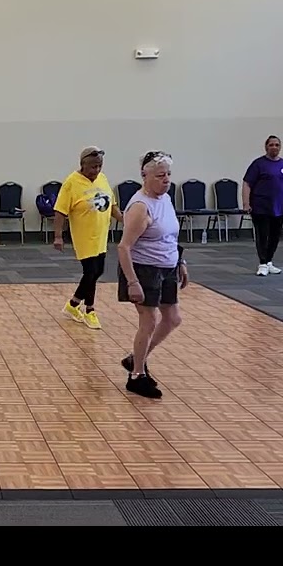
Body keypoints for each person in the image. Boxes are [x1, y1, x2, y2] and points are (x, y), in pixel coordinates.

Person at [116, 151, 187, 400]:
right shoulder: (140, 207)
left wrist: (181, 262)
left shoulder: (165, 199)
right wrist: (132, 282)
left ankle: (135, 358)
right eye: (160, 175)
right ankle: (136, 376)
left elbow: (171, 236)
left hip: (167, 267)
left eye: (168, 175)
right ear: (144, 176)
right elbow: (123, 247)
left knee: (173, 318)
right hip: (144, 269)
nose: (166, 180)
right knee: (149, 321)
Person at [52, 146, 122, 329]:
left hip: (101, 235)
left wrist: (125, 220)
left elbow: (112, 205)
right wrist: (58, 236)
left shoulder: (103, 179)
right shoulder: (72, 182)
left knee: (98, 271)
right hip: (84, 237)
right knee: (90, 272)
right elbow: (60, 211)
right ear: (82, 165)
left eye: (99, 166)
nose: (96, 170)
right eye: (93, 167)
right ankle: (90, 310)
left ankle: (73, 304)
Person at [242, 135, 283, 276]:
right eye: (271, 145)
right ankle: (262, 263)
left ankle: (269, 261)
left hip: (278, 207)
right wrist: (246, 203)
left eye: (277, 145)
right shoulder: (258, 164)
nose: (274, 147)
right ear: (266, 147)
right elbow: (247, 183)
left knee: (275, 235)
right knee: (262, 235)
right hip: (261, 206)